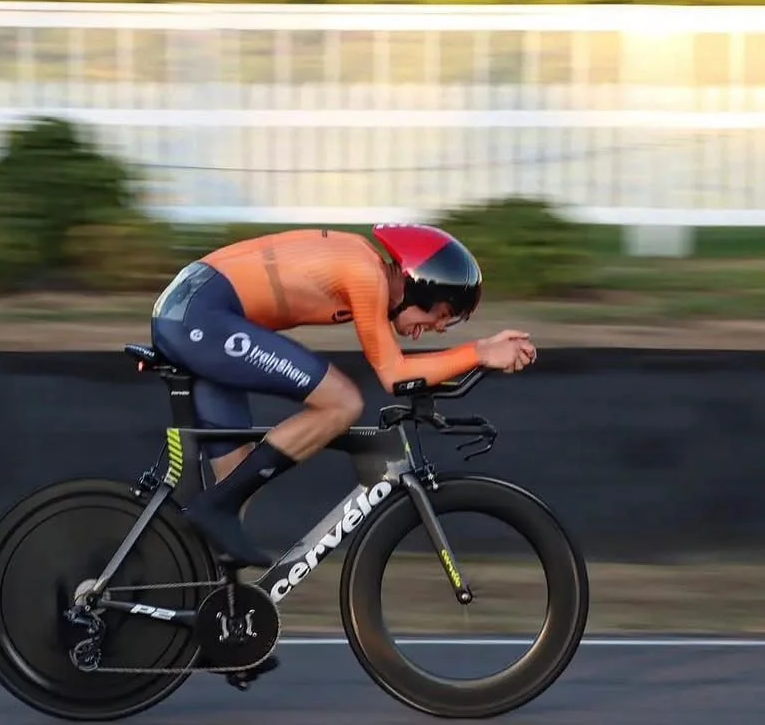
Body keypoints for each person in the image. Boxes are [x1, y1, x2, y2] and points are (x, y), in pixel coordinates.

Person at [149, 223, 537, 571]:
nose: (438, 328)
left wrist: (474, 357)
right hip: (198, 314)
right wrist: (481, 352)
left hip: (200, 313)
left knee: (235, 485)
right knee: (342, 401)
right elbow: (396, 375)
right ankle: (213, 509)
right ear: (421, 284)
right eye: (443, 314)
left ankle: (219, 629)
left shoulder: (363, 265)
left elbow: (404, 371)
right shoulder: (366, 274)